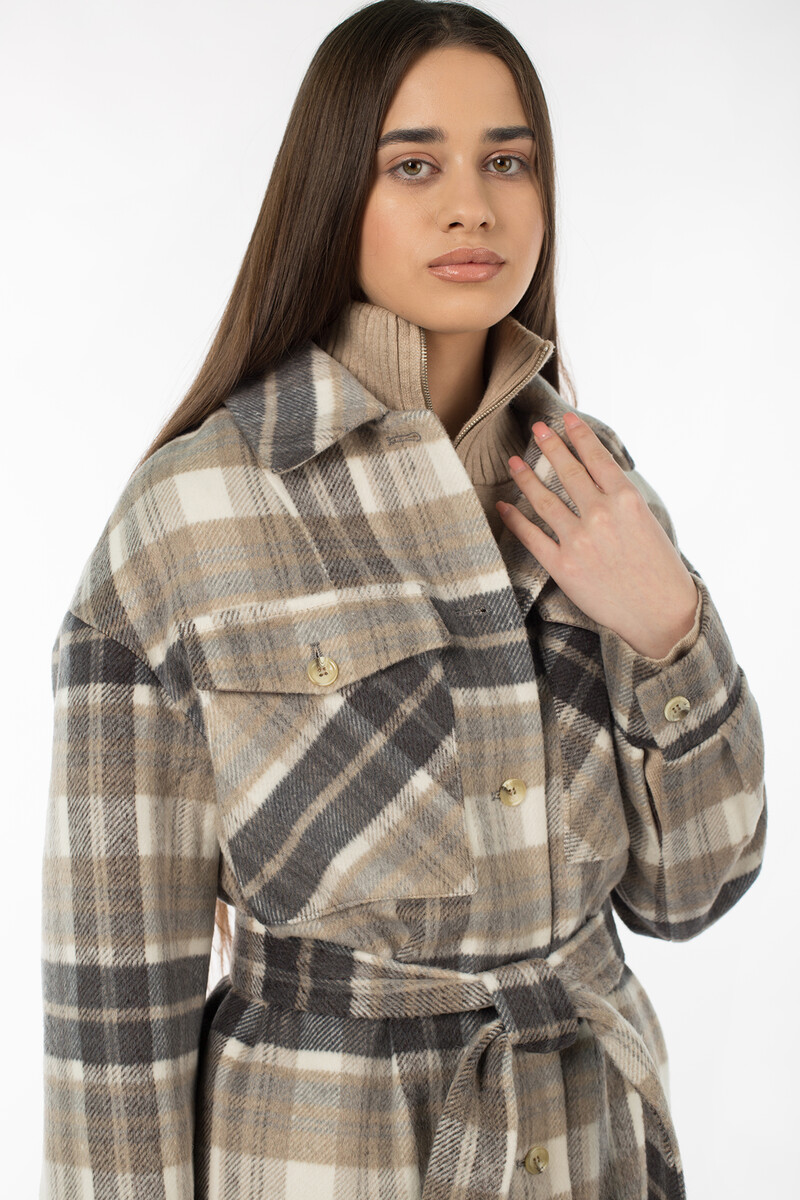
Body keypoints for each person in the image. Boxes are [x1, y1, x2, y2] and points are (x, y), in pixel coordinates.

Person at [39, 2, 766, 1198]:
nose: (470, 205)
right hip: (325, 1154)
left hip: (589, 1141)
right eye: (414, 165)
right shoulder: (192, 514)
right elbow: (113, 1001)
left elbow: (691, 893)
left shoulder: (595, 490)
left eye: (506, 162)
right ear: (334, 193)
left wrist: (669, 628)